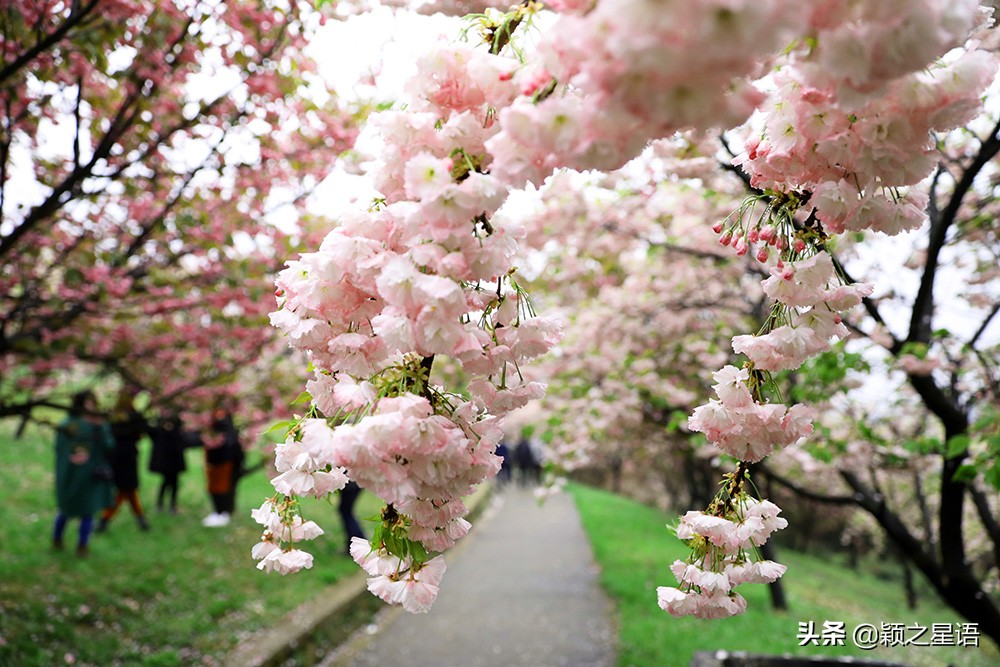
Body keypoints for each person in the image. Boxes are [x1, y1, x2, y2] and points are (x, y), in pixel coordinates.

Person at [53, 390, 115, 557]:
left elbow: (109, 445)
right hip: (71, 475)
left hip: (87, 476)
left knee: (85, 511)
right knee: (67, 509)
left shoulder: (95, 425)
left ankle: (81, 544)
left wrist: (101, 427)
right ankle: (59, 539)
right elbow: (62, 449)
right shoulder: (70, 425)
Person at [97, 388, 150, 532]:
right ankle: (106, 519)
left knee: (127, 489)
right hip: (121, 457)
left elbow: (143, 430)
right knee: (125, 489)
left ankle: (106, 520)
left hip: (126, 457)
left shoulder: (132, 416)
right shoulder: (116, 416)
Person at [202, 407, 244, 527]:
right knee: (214, 488)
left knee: (223, 488)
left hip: (223, 461)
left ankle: (223, 512)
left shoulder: (225, 427)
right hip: (215, 461)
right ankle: (218, 512)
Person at [148, 413, 188, 513]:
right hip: (165, 457)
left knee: (173, 482)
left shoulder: (177, 424)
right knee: (167, 481)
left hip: (175, 456)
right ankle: (162, 504)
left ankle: (171, 505)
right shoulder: (159, 427)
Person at [338, 480, 365, 554]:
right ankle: (354, 544)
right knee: (345, 511)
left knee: (346, 512)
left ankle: (358, 543)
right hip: (354, 483)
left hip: (352, 484)